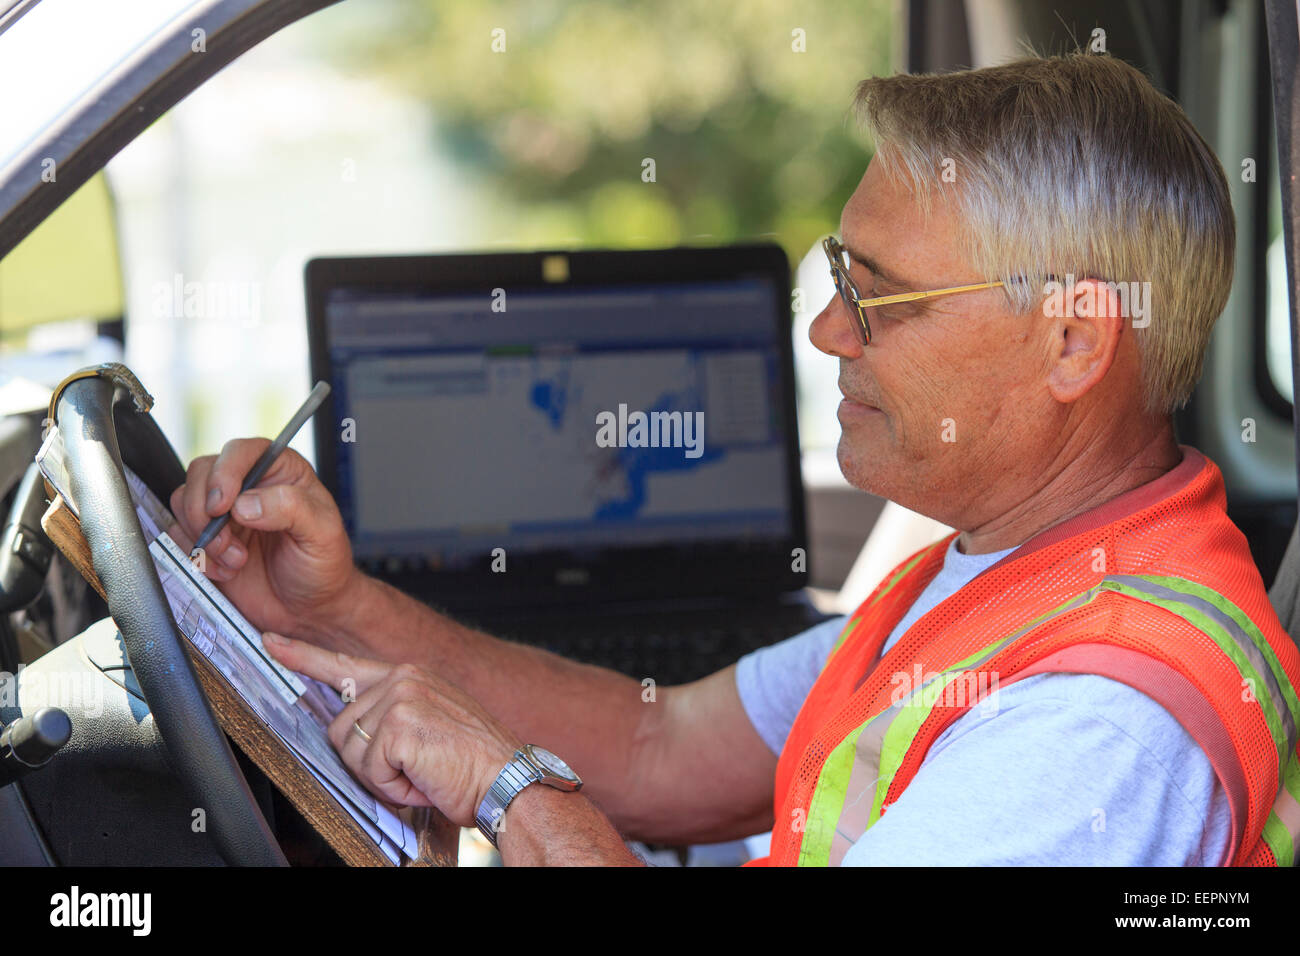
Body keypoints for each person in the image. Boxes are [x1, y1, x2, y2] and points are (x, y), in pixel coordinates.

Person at [168, 52, 1300, 866]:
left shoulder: (1099, 720)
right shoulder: (1003, 571)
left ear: (1073, 340)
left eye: (877, 295)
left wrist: (508, 785)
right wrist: (340, 606)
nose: (826, 331)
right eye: (836, 274)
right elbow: (658, 745)